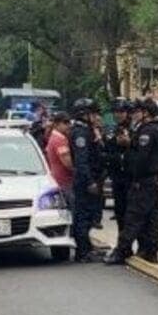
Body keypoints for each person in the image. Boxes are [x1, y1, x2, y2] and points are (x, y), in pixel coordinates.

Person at [105, 99, 158, 265]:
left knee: (133, 217)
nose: (134, 115)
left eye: (137, 111)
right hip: (155, 179)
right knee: (152, 218)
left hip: (144, 180)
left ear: (145, 113)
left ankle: (122, 250)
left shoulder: (146, 131)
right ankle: (151, 252)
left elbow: (141, 159)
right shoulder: (157, 128)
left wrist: (134, 175)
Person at [68, 98, 105, 263]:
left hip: (90, 178)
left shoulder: (88, 130)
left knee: (89, 215)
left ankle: (87, 248)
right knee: (83, 216)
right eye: (94, 114)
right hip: (85, 182)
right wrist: (90, 182)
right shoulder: (80, 133)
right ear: (85, 115)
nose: (97, 117)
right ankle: (82, 252)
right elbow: (82, 162)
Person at [105, 98, 134, 233]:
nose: (118, 115)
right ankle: (123, 245)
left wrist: (130, 143)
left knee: (133, 214)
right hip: (118, 177)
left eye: (121, 111)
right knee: (120, 212)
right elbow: (106, 152)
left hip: (132, 178)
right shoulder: (112, 130)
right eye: (116, 112)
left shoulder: (135, 129)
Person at [44, 112, 74, 194]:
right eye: (65, 122)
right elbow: (68, 163)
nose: (69, 125)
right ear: (56, 124)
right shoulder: (59, 140)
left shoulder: (56, 137)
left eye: (69, 122)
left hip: (60, 180)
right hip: (64, 181)